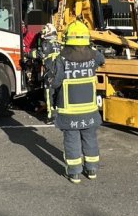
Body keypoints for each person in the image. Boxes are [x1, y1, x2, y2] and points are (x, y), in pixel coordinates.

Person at [44, 20, 106, 183]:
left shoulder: (61, 58)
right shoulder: (94, 55)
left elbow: (56, 82)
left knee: (72, 140)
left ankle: (74, 172)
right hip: (89, 109)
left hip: (69, 110)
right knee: (90, 138)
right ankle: (92, 169)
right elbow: (102, 60)